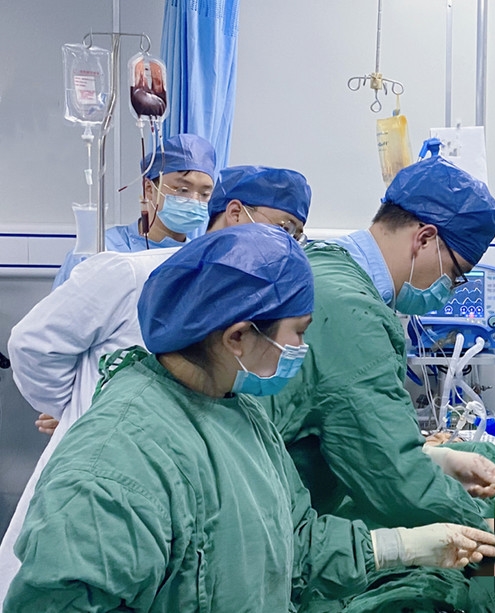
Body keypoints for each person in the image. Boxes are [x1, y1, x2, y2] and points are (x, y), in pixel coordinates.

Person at [4, 224, 495, 612]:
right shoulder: (116, 465)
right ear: (238, 337)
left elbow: (293, 542)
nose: (303, 349)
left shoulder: (240, 412)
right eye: (298, 333)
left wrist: (398, 547)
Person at [0, 165, 312, 602]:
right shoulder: (131, 273)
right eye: (283, 228)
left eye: (296, 234)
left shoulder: (238, 409)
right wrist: (73, 407)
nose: (288, 242)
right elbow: (32, 344)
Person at [262, 155, 495, 534]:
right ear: (425, 239)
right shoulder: (351, 311)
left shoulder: (324, 263)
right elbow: (397, 480)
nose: (449, 289)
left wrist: (433, 457)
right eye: (456, 274)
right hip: (275, 525)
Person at [51, 132, 217, 288]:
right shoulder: (100, 251)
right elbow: (62, 308)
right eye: (182, 190)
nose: (194, 200)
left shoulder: (200, 261)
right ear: (149, 189)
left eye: (204, 194)